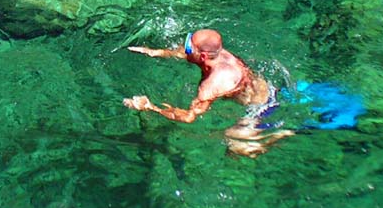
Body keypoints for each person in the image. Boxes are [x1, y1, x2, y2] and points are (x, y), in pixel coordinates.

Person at [123, 28, 294, 158]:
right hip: (271, 89)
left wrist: (150, 107)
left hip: (262, 110)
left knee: (234, 144)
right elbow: (185, 54)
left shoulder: (211, 85)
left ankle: (280, 134)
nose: (185, 48)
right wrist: (155, 52)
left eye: (189, 47)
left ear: (203, 56)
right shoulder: (219, 55)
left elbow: (189, 118)